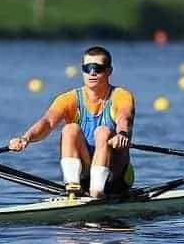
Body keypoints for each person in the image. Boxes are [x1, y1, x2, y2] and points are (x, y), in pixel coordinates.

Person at [8, 46, 135, 198]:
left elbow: (124, 117)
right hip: (85, 173)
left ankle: (97, 191)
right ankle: (73, 186)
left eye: (98, 68)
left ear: (109, 71)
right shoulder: (69, 98)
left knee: (103, 132)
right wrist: (26, 138)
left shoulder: (121, 95)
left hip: (116, 176)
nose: (92, 72)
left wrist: (122, 134)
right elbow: (48, 122)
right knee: (70, 129)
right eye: (87, 68)